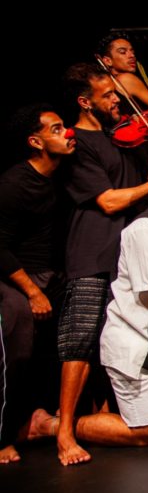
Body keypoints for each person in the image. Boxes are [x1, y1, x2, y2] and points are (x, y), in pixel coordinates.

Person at [55, 63, 148, 466]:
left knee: (113, 342)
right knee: (80, 343)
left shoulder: (121, 136)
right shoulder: (77, 144)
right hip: (93, 253)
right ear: (85, 102)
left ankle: (99, 416)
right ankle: (62, 431)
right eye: (108, 95)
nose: (117, 99)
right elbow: (109, 201)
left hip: (125, 254)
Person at [0, 104, 77, 464]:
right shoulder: (13, 184)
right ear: (36, 141)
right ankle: (3, 437)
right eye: (57, 129)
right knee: (17, 352)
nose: (67, 132)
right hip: (16, 278)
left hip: (51, 277)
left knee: (78, 333)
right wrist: (32, 292)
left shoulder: (61, 175)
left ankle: (41, 418)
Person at [96, 31, 148, 109]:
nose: (132, 55)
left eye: (132, 51)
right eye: (123, 52)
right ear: (107, 61)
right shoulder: (126, 79)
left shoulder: (106, 83)